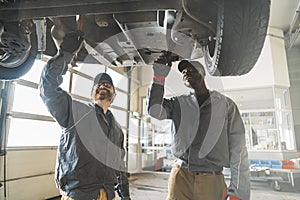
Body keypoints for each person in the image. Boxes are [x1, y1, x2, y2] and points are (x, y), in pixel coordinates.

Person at [39, 31, 131, 200]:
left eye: (108, 84)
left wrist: (125, 195)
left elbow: (119, 164)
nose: (103, 85)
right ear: (92, 93)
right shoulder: (74, 111)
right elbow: (48, 88)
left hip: (108, 195)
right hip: (78, 194)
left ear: (114, 94)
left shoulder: (117, 130)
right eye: (99, 84)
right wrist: (65, 53)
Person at [147, 55, 250, 200]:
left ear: (202, 73)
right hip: (180, 177)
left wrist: (238, 192)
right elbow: (154, 110)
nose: (186, 72)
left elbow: (238, 150)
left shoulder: (226, 106)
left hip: (211, 180)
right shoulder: (179, 104)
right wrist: (158, 78)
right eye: (183, 71)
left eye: (191, 69)